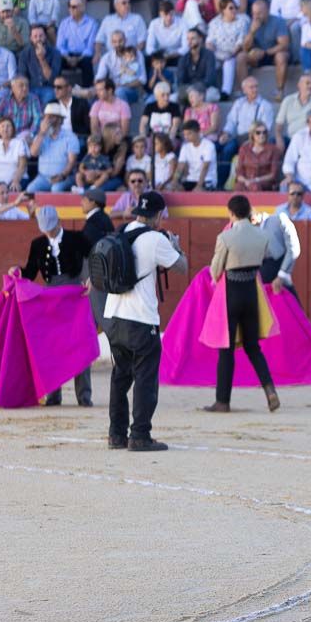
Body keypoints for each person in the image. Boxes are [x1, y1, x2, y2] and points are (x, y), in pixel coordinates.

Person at [104, 190, 188, 452]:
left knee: (121, 375)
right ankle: (139, 435)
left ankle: (116, 435)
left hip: (113, 315)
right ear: (159, 215)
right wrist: (175, 246)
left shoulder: (122, 230)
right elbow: (182, 266)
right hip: (140, 319)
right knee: (145, 377)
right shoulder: (155, 239)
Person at [11, 204, 94, 406]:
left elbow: (95, 258)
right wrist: (18, 272)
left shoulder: (77, 238)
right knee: (51, 347)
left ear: (58, 221)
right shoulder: (38, 244)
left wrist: (92, 277)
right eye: (45, 228)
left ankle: (84, 397)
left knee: (79, 344)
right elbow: (31, 272)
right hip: (51, 297)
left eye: (51, 227)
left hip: (75, 295)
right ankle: (53, 395)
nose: (48, 231)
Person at [205, 194, 280, 413]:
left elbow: (215, 270)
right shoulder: (261, 235)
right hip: (251, 292)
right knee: (253, 347)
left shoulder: (226, 237)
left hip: (231, 292)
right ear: (249, 211)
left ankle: (222, 401)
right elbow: (270, 254)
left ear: (230, 213)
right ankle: (270, 391)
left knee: (226, 349)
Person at [26, 102, 79, 192]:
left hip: (64, 177)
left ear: (60, 119)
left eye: (51, 117)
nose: (47, 120)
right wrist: (42, 133)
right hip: (43, 177)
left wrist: (62, 176)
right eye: (46, 117)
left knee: (56, 189)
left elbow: (71, 162)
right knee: (30, 190)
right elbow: (33, 153)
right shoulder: (41, 135)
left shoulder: (70, 137)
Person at [236, 120, 282, 191]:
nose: (262, 135)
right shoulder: (244, 149)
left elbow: (273, 174)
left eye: (264, 132)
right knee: (238, 187)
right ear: (252, 134)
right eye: (258, 133)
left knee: (255, 187)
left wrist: (256, 180)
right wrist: (246, 181)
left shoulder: (273, 150)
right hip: (246, 181)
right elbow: (239, 172)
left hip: (264, 182)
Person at [175, 117, 217, 190]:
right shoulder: (185, 147)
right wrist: (174, 181)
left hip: (207, 180)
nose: (186, 137)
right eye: (184, 134)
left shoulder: (209, 145)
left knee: (198, 192)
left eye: (189, 134)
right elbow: (180, 166)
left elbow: (205, 167)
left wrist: (199, 185)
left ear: (198, 132)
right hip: (190, 179)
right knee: (175, 189)